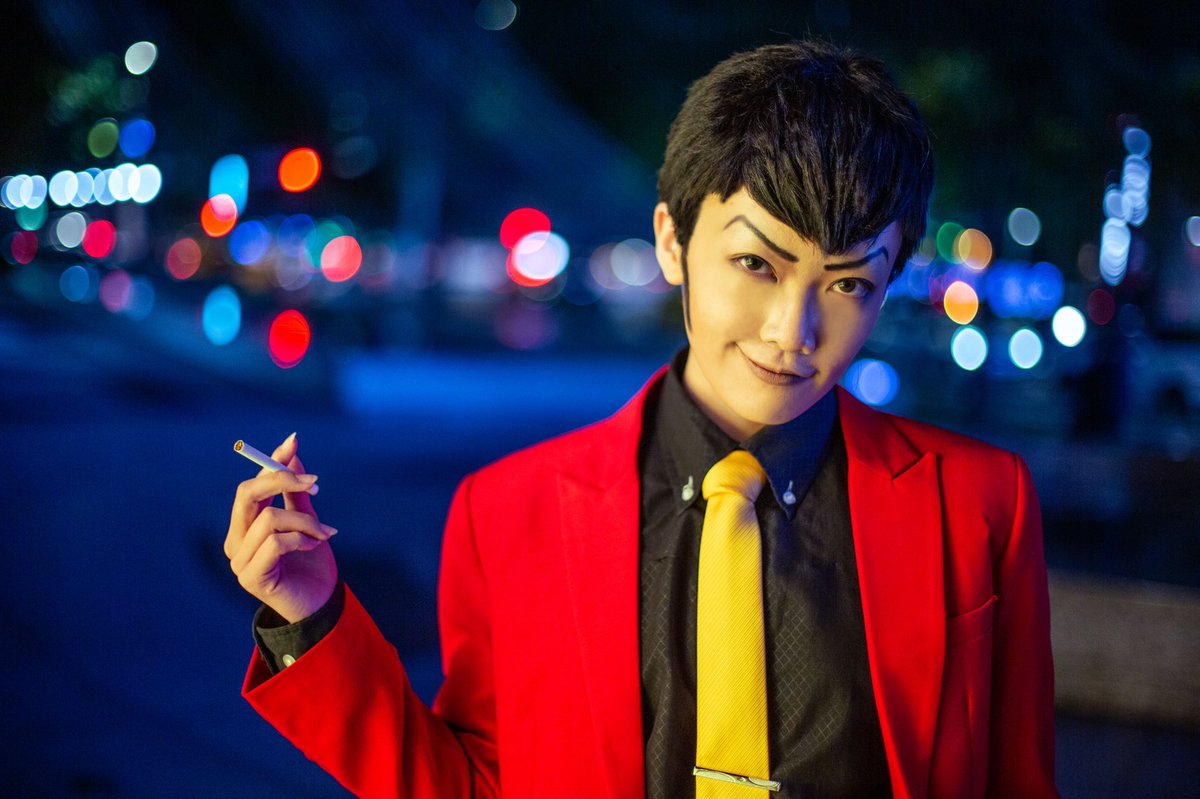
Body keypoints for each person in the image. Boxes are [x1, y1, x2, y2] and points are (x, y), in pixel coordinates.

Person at [225, 40, 1058, 799]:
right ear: (671, 239)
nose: (792, 331)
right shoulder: (508, 513)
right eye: (756, 263)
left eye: (848, 284)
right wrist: (313, 620)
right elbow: (475, 783)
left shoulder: (979, 502)